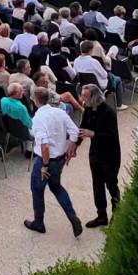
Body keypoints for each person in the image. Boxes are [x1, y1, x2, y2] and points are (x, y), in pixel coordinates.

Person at [24, 86, 83, 237]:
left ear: (35, 101)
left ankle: (39, 223)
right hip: (60, 158)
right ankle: (72, 217)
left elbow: (44, 146)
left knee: (37, 190)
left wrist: (44, 165)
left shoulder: (38, 119)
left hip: (45, 161)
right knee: (56, 187)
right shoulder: (60, 113)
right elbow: (75, 132)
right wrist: (71, 147)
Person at [78, 85, 121, 228]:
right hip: (95, 154)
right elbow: (82, 129)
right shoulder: (88, 110)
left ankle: (117, 214)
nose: (82, 99)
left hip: (110, 155)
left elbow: (112, 136)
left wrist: (94, 134)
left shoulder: (109, 113)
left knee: (111, 185)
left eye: (85, 96)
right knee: (97, 186)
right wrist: (74, 145)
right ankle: (101, 216)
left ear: (94, 97)